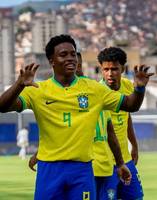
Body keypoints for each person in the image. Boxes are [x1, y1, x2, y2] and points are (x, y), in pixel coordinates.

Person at [0, 34, 152, 200]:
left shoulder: (94, 89)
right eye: (63, 55)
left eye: (73, 54)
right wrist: (19, 84)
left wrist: (139, 89)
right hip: (49, 170)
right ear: (51, 60)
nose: (70, 58)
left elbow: (131, 106)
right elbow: (3, 106)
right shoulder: (37, 90)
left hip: (82, 170)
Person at [27, 50, 131, 200]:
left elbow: (111, 131)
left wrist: (120, 162)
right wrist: (40, 153)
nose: (76, 68)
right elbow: (63, 133)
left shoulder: (96, 92)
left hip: (103, 165)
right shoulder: (62, 96)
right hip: (84, 167)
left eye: (79, 65)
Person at [97, 47, 144, 200]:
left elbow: (127, 116)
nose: (110, 74)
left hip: (126, 159)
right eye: (106, 69)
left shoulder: (128, 86)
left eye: (114, 69)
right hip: (107, 163)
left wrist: (134, 145)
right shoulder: (97, 92)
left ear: (123, 68)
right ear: (101, 69)